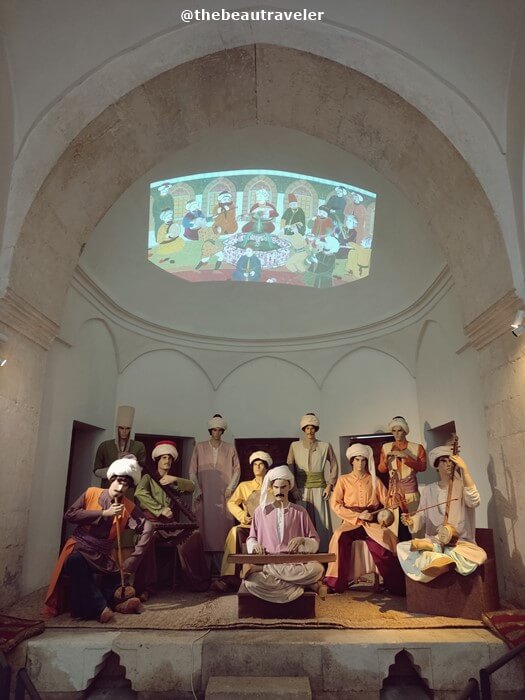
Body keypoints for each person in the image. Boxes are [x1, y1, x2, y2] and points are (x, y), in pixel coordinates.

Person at [42, 456, 153, 622]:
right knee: (75, 562)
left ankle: (116, 604)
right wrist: (103, 513)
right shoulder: (91, 493)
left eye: (126, 484)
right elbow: (70, 514)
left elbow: (148, 527)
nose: (121, 487)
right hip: (80, 548)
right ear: (111, 479)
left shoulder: (128, 506)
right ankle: (100, 608)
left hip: (104, 555)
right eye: (119, 481)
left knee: (115, 578)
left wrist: (134, 558)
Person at [397, 446, 487, 582]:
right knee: (402, 547)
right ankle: (439, 554)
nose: (448, 464)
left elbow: (474, 501)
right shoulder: (428, 490)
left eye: (451, 461)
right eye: (444, 461)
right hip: (435, 539)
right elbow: (421, 515)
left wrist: (465, 471)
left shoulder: (463, 485)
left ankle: (437, 555)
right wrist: (412, 520)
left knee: (476, 555)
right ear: (436, 466)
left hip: (459, 542)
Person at [324, 444, 405, 595]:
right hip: (351, 522)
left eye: (363, 460)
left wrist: (395, 493)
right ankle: (336, 583)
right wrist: (357, 516)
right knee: (339, 538)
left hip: (371, 522)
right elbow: (335, 505)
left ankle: (395, 584)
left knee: (384, 542)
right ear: (352, 461)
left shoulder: (374, 480)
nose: (360, 463)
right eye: (357, 460)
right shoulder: (343, 480)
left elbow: (388, 500)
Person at [134, 441, 210, 594]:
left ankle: (198, 582)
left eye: (169, 458)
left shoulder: (172, 482)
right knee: (147, 539)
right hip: (151, 523)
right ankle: (146, 588)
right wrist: (160, 509)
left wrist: (174, 479)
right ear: (158, 460)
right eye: (163, 458)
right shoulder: (148, 478)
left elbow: (191, 487)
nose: (167, 461)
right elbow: (139, 493)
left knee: (194, 536)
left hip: (170, 525)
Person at [244, 465, 326, 603]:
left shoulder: (300, 511)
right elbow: (251, 537)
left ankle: (260, 568)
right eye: (276, 487)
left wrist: (302, 540)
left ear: (289, 487)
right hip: (270, 559)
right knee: (252, 582)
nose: (279, 491)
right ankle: (309, 584)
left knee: (317, 569)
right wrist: (255, 545)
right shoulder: (260, 511)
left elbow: (314, 540)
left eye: (283, 487)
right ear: (271, 487)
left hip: (294, 563)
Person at [189, 415, 240, 574]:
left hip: (223, 494)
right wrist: (197, 489)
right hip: (205, 493)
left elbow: (237, 470)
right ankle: (204, 569)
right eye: (214, 430)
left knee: (223, 527)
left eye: (219, 430)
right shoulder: (199, 447)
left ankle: (222, 569)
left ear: (222, 431)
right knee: (203, 526)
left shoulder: (230, 448)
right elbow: (192, 470)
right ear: (210, 431)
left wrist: (230, 488)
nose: (216, 433)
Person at [216, 451, 272, 589]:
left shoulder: (273, 486)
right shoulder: (244, 486)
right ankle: (229, 578)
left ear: (266, 467)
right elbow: (231, 503)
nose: (257, 467)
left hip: (268, 528)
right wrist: (242, 516)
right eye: (255, 465)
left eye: (260, 464)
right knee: (235, 532)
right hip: (249, 526)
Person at [286, 413, 338, 551]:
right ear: (303, 429)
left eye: (313, 427)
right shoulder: (295, 446)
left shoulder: (325, 445)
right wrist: (294, 488)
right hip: (301, 490)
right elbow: (290, 468)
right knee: (301, 519)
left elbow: (334, 464)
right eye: (307, 428)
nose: (310, 431)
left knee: (321, 522)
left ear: (316, 429)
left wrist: (329, 485)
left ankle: (323, 551)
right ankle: (302, 551)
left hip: (319, 490)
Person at [377, 416, 426, 537]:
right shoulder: (386, 447)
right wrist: (385, 461)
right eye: (394, 430)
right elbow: (381, 469)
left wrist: (406, 457)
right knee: (394, 527)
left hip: (410, 492)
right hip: (394, 493)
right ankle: (395, 553)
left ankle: (418, 550)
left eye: (399, 430)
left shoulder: (417, 447)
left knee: (415, 526)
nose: (397, 433)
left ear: (405, 431)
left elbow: (423, 467)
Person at [93, 405, 146, 481]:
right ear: (117, 428)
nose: (124, 431)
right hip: (108, 488)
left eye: (127, 428)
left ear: (130, 429)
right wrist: (115, 469)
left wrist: (129, 465)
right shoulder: (105, 446)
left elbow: (142, 469)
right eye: (121, 428)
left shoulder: (139, 446)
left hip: (129, 489)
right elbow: (96, 471)